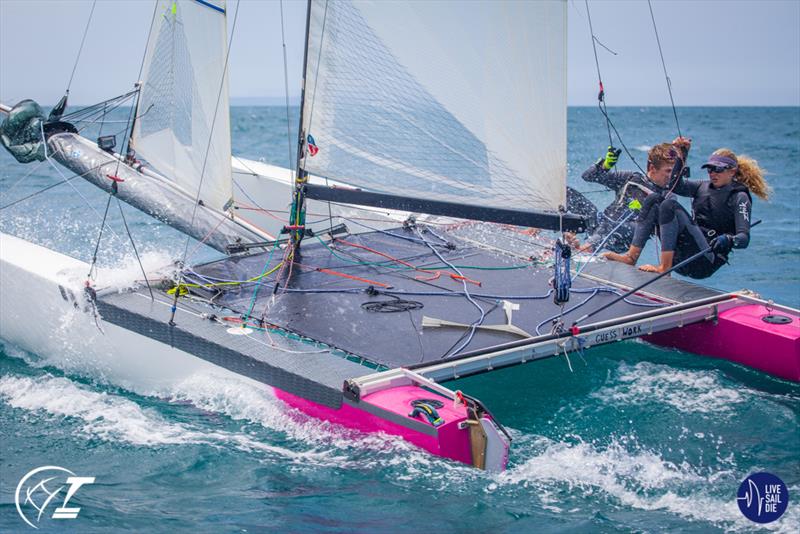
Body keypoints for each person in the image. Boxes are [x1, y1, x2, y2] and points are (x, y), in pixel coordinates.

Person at [604, 143, 770, 279]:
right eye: (710, 169)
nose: (712, 173)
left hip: (705, 260)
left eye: (718, 169)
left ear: (732, 171)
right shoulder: (701, 187)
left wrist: (729, 239)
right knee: (654, 199)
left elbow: (744, 239)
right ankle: (630, 257)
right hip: (683, 257)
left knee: (669, 205)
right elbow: (674, 185)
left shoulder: (739, 197)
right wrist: (682, 155)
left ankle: (664, 268)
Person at [566, 142, 681, 253]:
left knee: (612, 225)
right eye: (668, 171)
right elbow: (587, 176)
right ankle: (569, 237)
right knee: (568, 193)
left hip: (626, 237)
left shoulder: (667, 196)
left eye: (674, 171)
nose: (672, 175)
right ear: (652, 168)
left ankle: (583, 250)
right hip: (601, 224)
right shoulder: (631, 178)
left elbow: (667, 232)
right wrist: (604, 166)